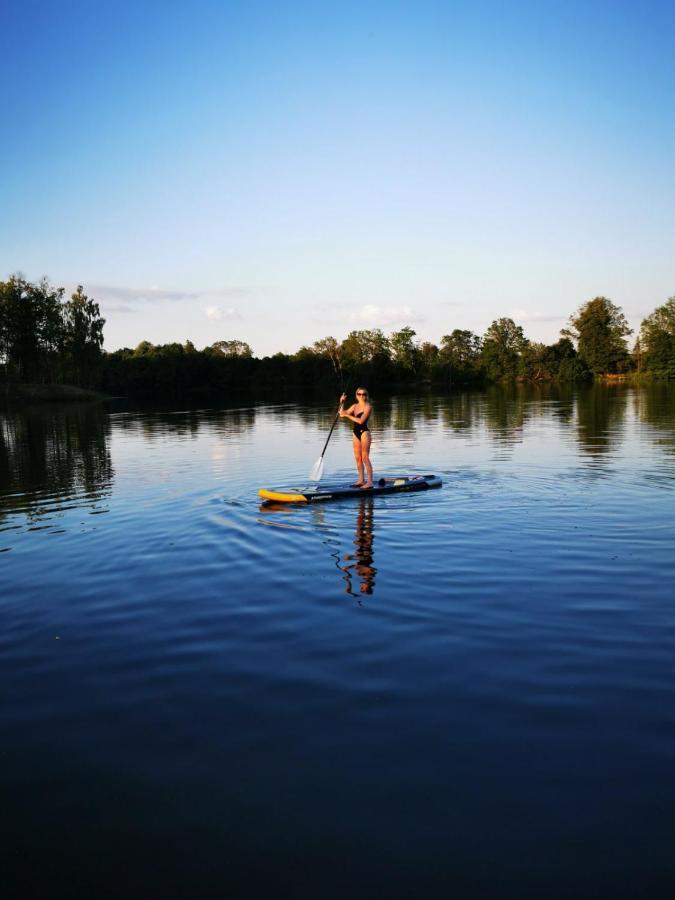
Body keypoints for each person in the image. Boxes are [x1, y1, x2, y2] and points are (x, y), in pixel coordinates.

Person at [339, 387, 373, 488]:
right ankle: (361, 480)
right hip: (355, 433)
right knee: (358, 458)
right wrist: (342, 402)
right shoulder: (354, 406)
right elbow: (341, 414)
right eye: (359, 394)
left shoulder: (368, 407)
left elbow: (360, 421)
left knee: (365, 458)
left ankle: (370, 482)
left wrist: (347, 415)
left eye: (364, 394)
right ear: (356, 395)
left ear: (366, 396)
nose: (361, 396)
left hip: (364, 433)